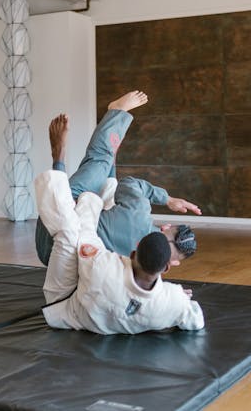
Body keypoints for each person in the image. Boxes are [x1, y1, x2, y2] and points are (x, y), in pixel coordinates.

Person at [34, 117, 205, 335]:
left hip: (63, 300)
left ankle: (64, 156)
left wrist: (87, 199)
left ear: (132, 253)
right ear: (167, 267)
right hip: (76, 288)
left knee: (70, 231)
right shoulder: (171, 301)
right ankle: (109, 160)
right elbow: (196, 319)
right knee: (108, 190)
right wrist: (176, 298)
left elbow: (82, 230)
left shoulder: (103, 266)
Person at [35, 91, 201, 267]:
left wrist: (167, 199)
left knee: (100, 159)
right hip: (50, 257)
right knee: (110, 190)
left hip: (54, 227)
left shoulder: (139, 213)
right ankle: (112, 146)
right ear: (172, 263)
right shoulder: (147, 268)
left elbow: (129, 184)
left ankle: (115, 113)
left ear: (166, 227)